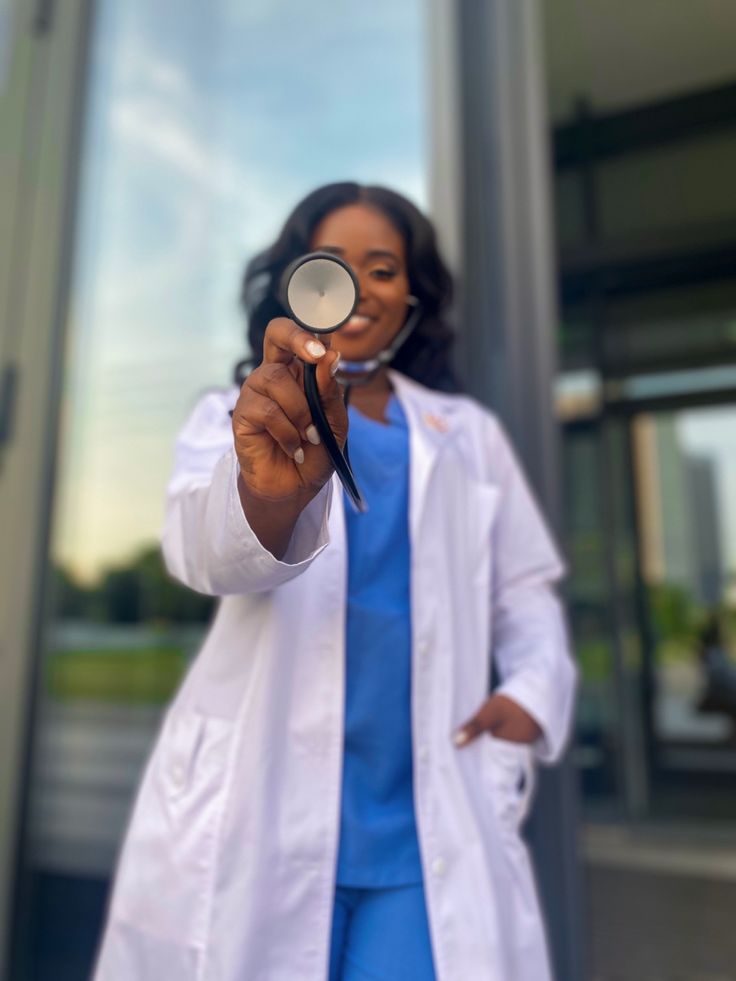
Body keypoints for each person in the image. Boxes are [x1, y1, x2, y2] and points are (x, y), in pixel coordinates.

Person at [93, 183, 577, 981]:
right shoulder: (233, 416)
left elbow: (524, 587)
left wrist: (530, 693)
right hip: (260, 809)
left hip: (423, 823)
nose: (358, 286)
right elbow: (200, 554)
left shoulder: (468, 437)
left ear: (412, 293)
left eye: (383, 267)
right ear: (295, 280)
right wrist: (268, 494)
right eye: (333, 264)